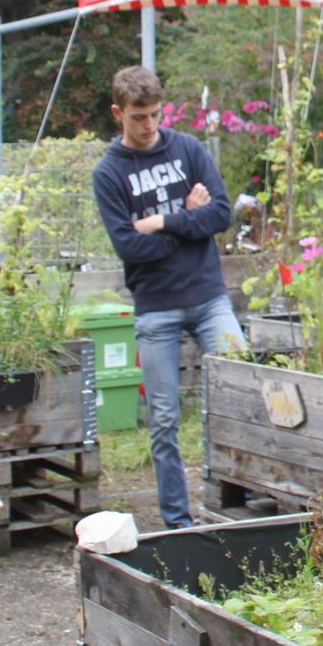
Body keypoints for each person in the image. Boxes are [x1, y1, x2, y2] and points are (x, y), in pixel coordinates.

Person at [92, 65, 241, 528]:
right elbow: (130, 246)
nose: (150, 126)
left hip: (209, 296)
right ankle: (179, 521)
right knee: (163, 420)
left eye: (156, 114)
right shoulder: (109, 173)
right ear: (119, 113)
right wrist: (185, 221)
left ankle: (234, 504)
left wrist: (163, 221)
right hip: (156, 306)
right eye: (139, 117)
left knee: (242, 387)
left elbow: (221, 213)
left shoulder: (188, 149)